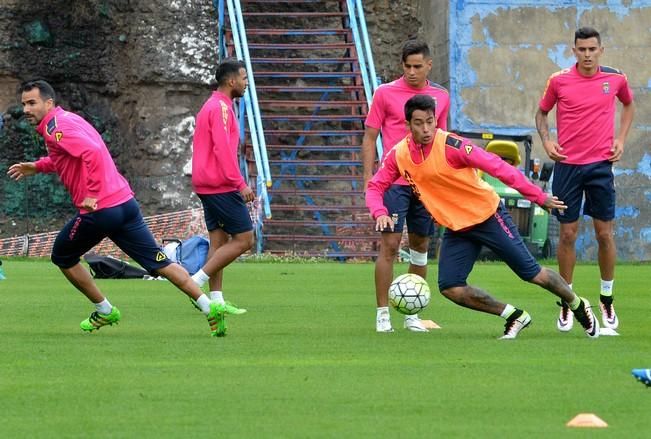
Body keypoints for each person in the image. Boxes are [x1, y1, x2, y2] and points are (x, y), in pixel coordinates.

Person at [7, 79, 244, 337]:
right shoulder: (67, 119)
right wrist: (38, 166)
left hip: (100, 209)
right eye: (24, 104)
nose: (26, 109)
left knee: (62, 256)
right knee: (159, 262)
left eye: (32, 103)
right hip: (124, 203)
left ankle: (105, 310)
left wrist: (92, 193)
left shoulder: (55, 128)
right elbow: (66, 157)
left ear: (48, 103)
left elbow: (93, 151)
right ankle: (209, 308)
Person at [366, 94, 600, 339]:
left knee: (533, 274)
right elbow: (375, 187)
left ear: (436, 121)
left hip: (488, 216)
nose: (426, 129)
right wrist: (380, 212)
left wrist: (538, 197)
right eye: (418, 123)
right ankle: (513, 315)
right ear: (407, 125)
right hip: (458, 229)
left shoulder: (452, 146)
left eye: (430, 121)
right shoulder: (398, 155)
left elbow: (498, 167)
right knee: (451, 287)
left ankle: (577, 304)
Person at [535, 27, 635, 333]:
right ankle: (567, 301)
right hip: (567, 167)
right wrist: (547, 142)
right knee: (568, 234)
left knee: (605, 234)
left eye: (592, 49)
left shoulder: (616, 78)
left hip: (600, 167)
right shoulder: (559, 80)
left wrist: (621, 139)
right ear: (574, 50)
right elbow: (541, 114)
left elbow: (629, 105)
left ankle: (606, 298)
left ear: (601, 50)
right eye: (582, 49)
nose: (587, 54)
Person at [361, 39, 450, 333]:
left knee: (421, 247)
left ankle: (413, 315)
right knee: (389, 246)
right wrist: (368, 182)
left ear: (428, 65)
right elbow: (370, 137)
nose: (411, 72)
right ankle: (382, 314)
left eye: (417, 66)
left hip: (426, 184)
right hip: (394, 183)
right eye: (407, 66)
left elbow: (442, 140)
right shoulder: (385, 93)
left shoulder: (441, 96)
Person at [187, 59, 255, 335]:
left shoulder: (214, 105)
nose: (246, 82)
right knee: (245, 239)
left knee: (218, 241)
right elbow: (223, 151)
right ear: (231, 82)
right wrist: (239, 183)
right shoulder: (221, 108)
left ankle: (216, 301)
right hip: (220, 184)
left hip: (207, 183)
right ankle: (195, 283)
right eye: (243, 78)